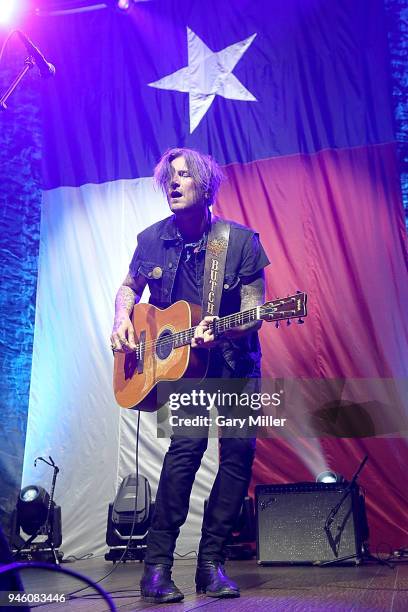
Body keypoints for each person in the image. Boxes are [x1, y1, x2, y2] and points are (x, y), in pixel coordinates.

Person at [110, 147, 270, 603]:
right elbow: (128, 288)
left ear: (206, 185)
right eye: (169, 178)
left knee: (237, 455)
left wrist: (225, 331)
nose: (174, 184)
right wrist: (122, 317)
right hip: (182, 366)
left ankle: (211, 563)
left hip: (235, 365)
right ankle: (156, 567)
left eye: (183, 176)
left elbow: (255, 312)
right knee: (185, 452)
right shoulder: (151, 239)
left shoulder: (238, 241)